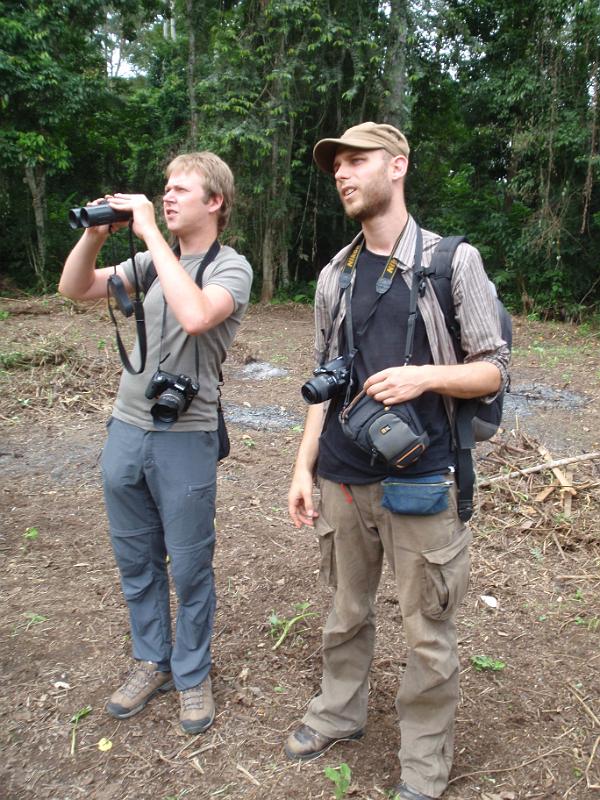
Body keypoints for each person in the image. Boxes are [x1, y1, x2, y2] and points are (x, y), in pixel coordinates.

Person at [285, 123, 509, 799]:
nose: (343, 174)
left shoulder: (450, 262)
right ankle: (338, 711)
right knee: (346, 611)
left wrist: (423, 377)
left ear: (399, 165)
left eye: (357, 161)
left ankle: (423, 762)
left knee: (428, 631)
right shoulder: (335, 273)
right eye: (337, 167)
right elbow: (324, 378)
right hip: (345, 478)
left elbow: (493, 371)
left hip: (422, 479)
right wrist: (303, 468)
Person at [59, 151, 253, 734]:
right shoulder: (149, 261)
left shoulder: (232, 268)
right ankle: (152, 660)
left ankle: (192, 673)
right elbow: (76, 288)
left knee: (190, 566)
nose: (166, 197)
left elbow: (195, 316)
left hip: (186, 435)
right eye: (163, 189)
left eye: (180, 190)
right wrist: (96, 236)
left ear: (214, 201)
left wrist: (146, 228)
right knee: (135, 556)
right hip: (126, 427)